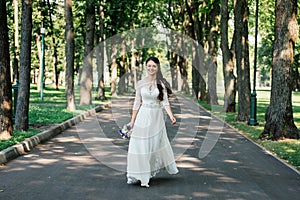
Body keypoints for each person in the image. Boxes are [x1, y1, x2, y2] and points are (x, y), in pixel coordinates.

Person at [126, 56, 179, 188]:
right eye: (149, 65)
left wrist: (171, 116)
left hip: (157, 118)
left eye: (154, 66)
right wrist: (132, 121)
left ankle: (146, 172)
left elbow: (165, 102)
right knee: (140, 146)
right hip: (143, 117)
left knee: (153, 147)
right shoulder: (140, 83)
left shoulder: (162, 84)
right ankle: (141, 176)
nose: (151, 68)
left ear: (157, 68)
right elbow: (137, 102)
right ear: (146, 67)